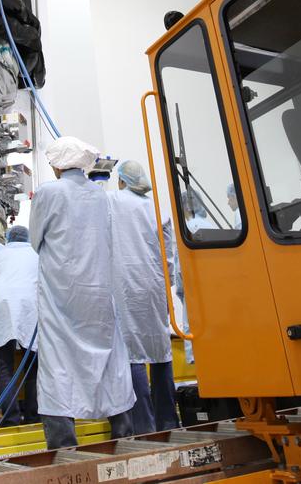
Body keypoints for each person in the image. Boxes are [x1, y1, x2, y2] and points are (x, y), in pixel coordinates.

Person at [30, 136, 135, 449]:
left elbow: (36, 240)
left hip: (62, 294)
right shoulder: (100, 196)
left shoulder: (49, 192)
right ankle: (124, 436)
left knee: (58, 366)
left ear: (59, 165)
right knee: (109, 360)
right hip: (98, 293)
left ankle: (63, 446)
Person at [109, 160, 180, 434]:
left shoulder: (113, 200)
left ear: (122, 181)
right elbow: (169, 253)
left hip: (125, 284)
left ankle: (144, 426)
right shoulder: (158, 207)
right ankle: (168, 422)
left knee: (132, 352)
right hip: (155, 285)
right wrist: (167, 283)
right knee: (160, 348)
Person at [0, 224, 39, 425]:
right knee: (33, 366)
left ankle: (10, 418)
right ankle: (33, 416)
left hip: (2, 307)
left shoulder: (2, 253)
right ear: (27, 238)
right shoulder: (36, 254)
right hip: (30, 309)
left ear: (9, 239)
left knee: (5, 367)